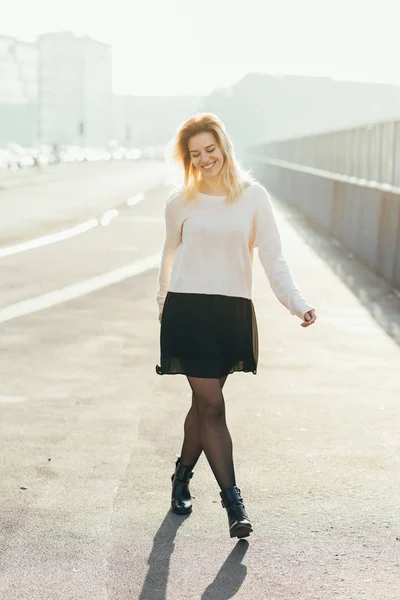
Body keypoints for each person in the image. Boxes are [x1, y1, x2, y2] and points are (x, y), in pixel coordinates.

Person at [155, 113, 317, 539]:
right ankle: (233, 503)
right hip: (187, 310)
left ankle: (181, 476)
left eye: (210, 149)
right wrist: (162, 301)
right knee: (212, 406)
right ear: (188, 160)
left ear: (224, 146)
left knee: (203, 403)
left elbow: (273, 256)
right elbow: (169, 256)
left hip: (230, 312)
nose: (205, 159)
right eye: (195, 154)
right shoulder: (179, 202)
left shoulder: (252, 197)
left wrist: (296, 303)